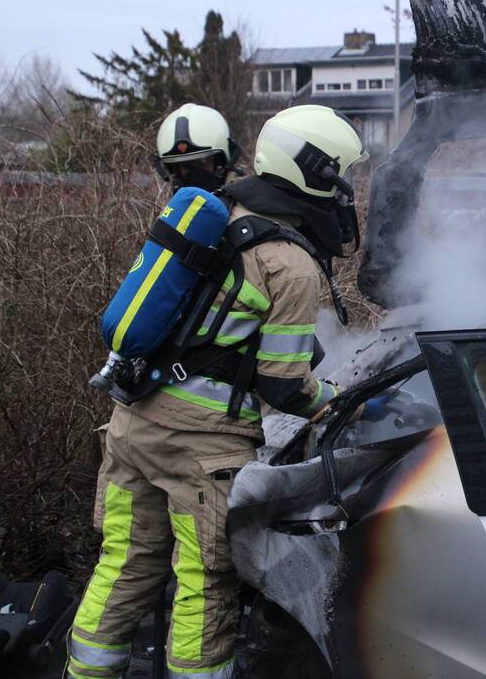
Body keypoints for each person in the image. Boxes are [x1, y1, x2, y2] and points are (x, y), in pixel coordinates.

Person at [67, 105, 368, 679]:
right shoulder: (292, 264)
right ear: (317, 172)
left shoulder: (213, 211)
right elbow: (284, 384)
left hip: (133, 424)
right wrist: (337, 397)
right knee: (204, 579)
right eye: (342, 173)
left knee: (123, 565)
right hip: (202, 451)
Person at [154, 103, 244, 193]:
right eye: (186, 165)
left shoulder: (245, 200)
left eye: (202, 162)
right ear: (175, 170)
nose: (195, 174)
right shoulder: (173, 206)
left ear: (220, 162)